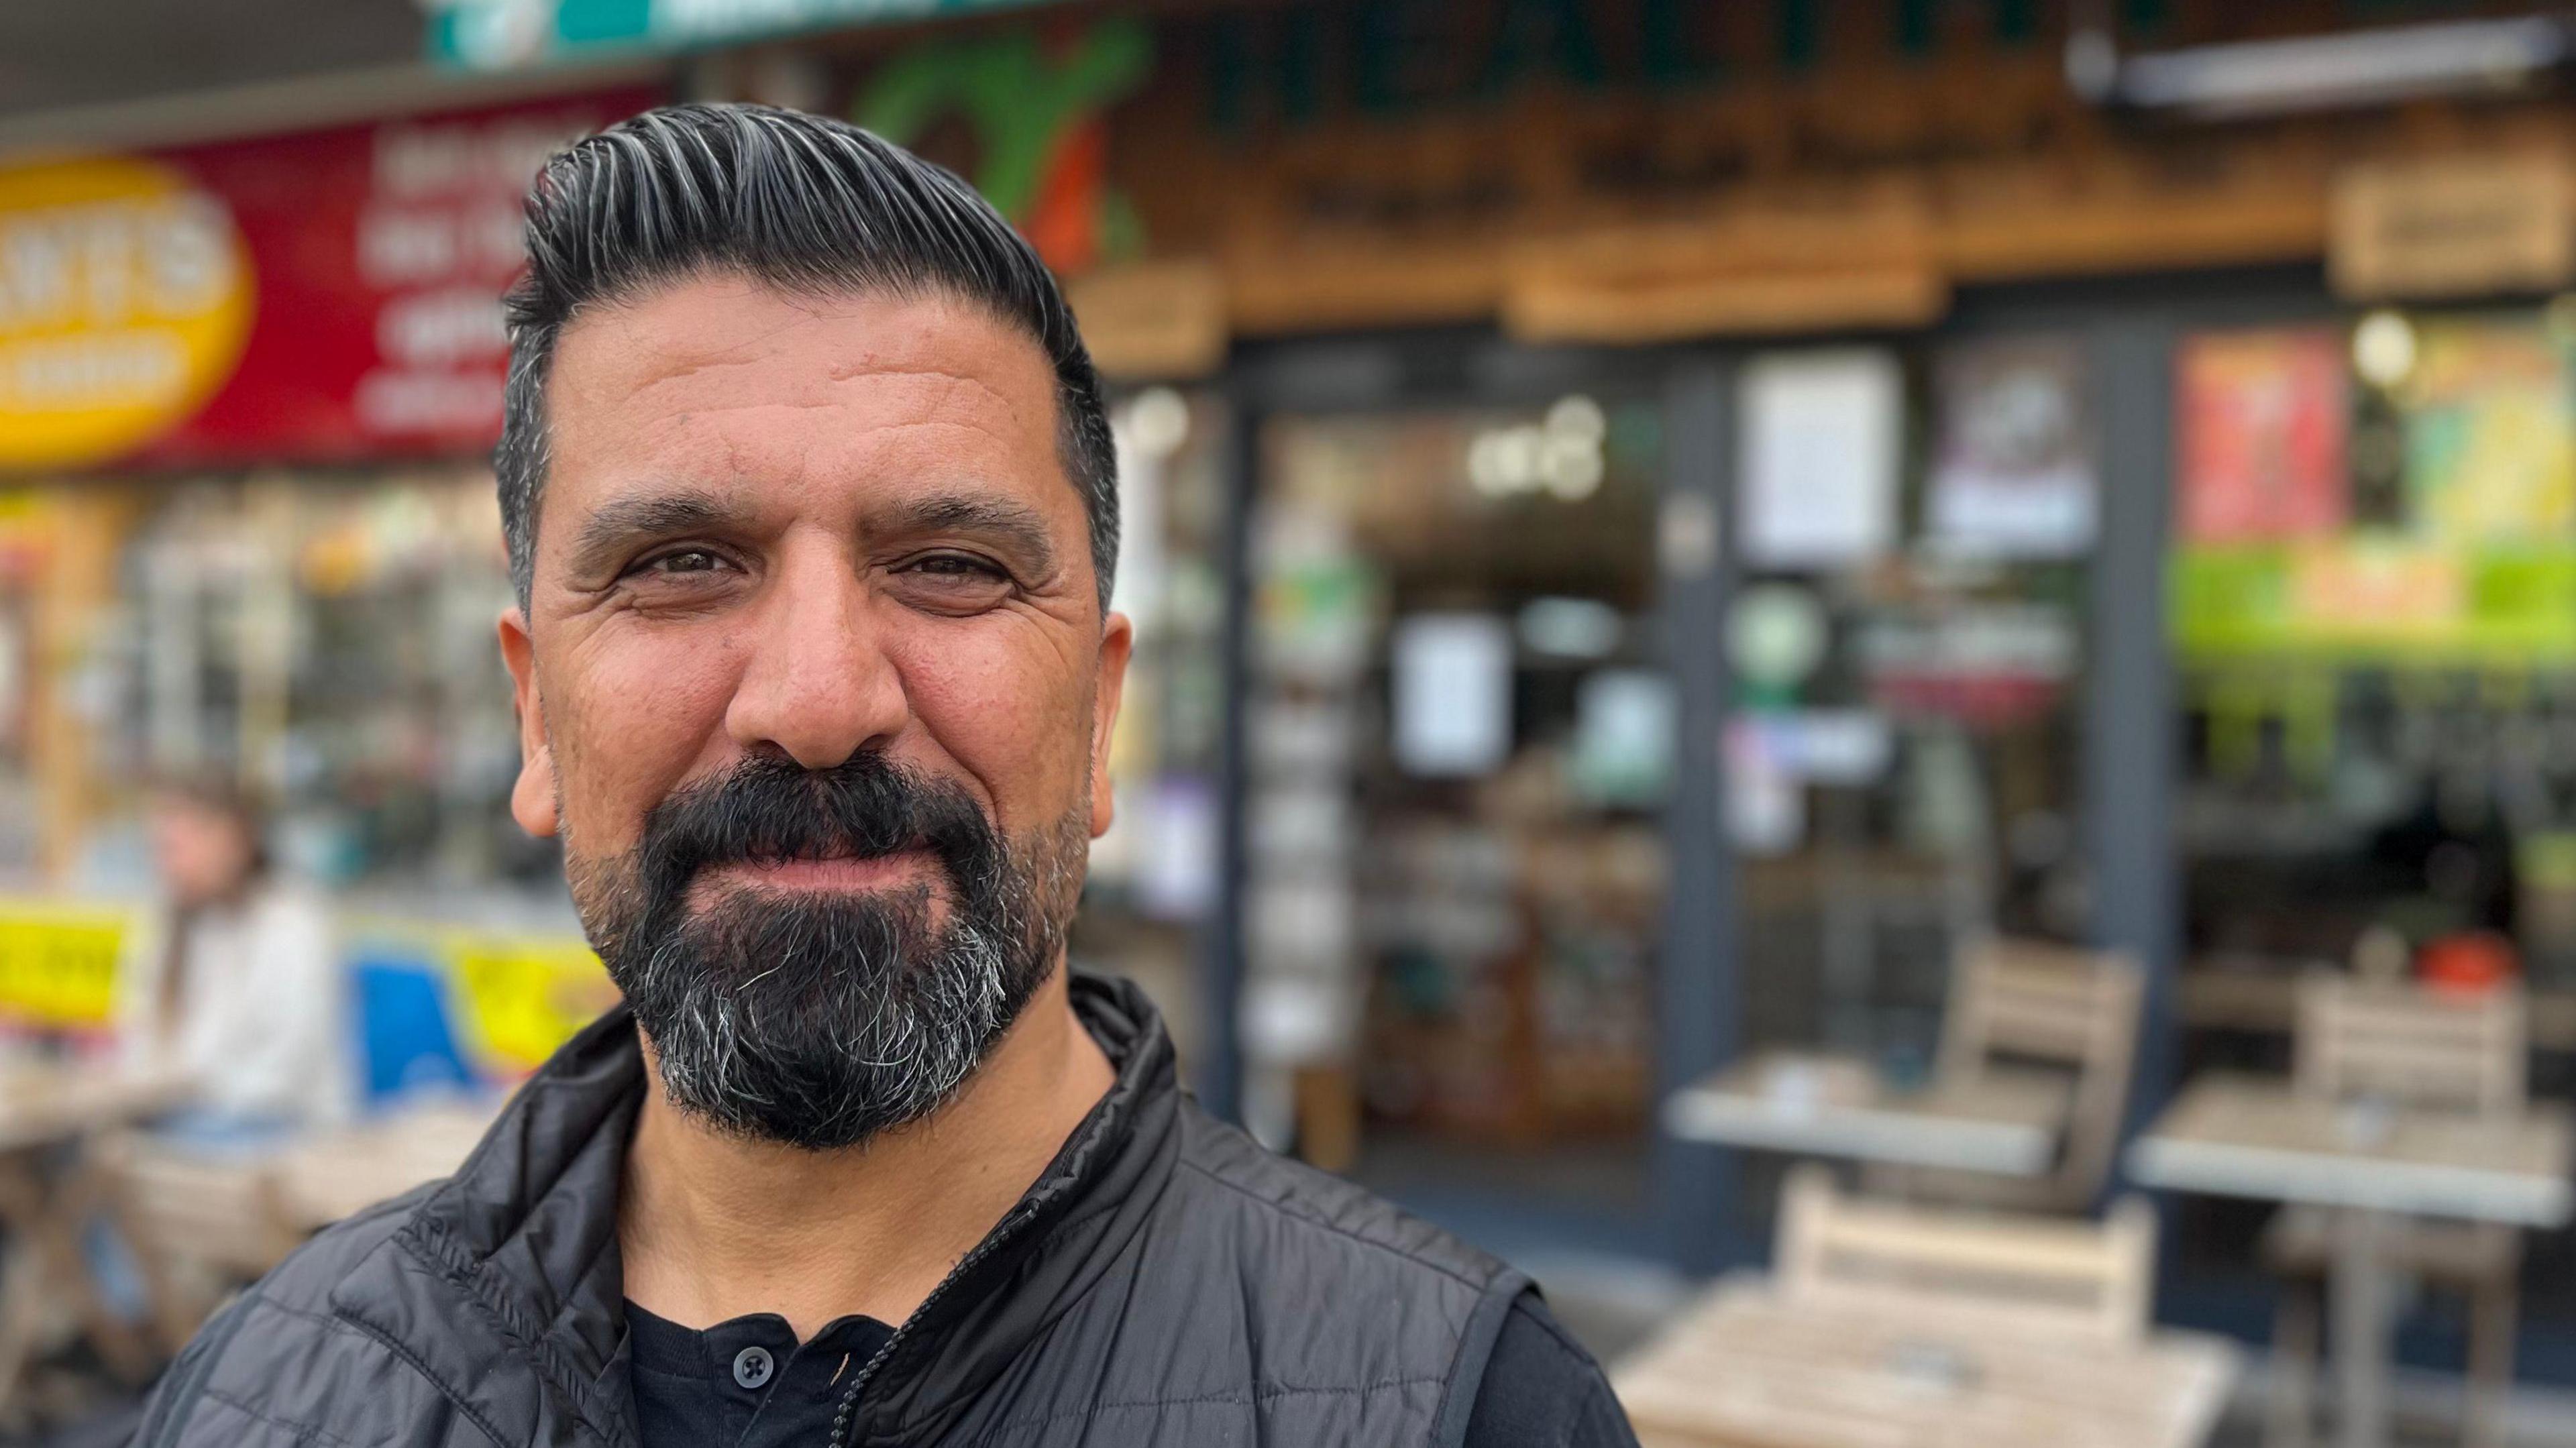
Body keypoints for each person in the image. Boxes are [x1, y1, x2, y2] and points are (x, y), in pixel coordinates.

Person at [133, 104, 1639, 1448]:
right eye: (679, 566)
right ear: (536, 718)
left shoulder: (1467, 1405)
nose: (818, 699)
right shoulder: (267, 1393)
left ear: (1101, 715)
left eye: (949, 565)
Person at [113, 778, 348, 1135]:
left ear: (231, 842)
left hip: (279, 1122)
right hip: (180, 1109)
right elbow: (138, 1034)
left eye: (176, 848)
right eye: (160, 850)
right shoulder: (168, 920)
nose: (167, 866)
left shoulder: (292, 923)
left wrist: (183, 1091)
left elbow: (284, 1072)